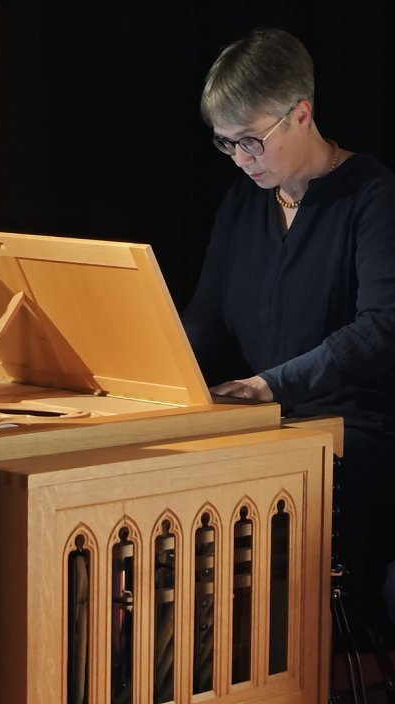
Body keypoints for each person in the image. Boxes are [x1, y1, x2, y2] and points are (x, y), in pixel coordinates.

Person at [182, 27, 395, 621]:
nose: (240, 160)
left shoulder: (372, 196)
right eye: (227, 145)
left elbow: (381, 329)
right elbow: (207, 315)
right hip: (269, 422)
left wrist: (271, 384)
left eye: (251, 141)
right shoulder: (244, 201)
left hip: (353, 431)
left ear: (302, 113)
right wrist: (161, 366)